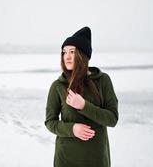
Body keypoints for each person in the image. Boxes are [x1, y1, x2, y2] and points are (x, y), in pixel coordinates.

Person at [45, 27, 119, 167]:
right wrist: (72, 129)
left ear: (83, 54)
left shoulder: (103, 81)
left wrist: (84, 106)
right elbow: (50, 122)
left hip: (97, 159)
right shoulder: (58, 86)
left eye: (72, 52)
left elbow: (112, 119)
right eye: (64, 52)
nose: (66, 56)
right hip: (66, 159)